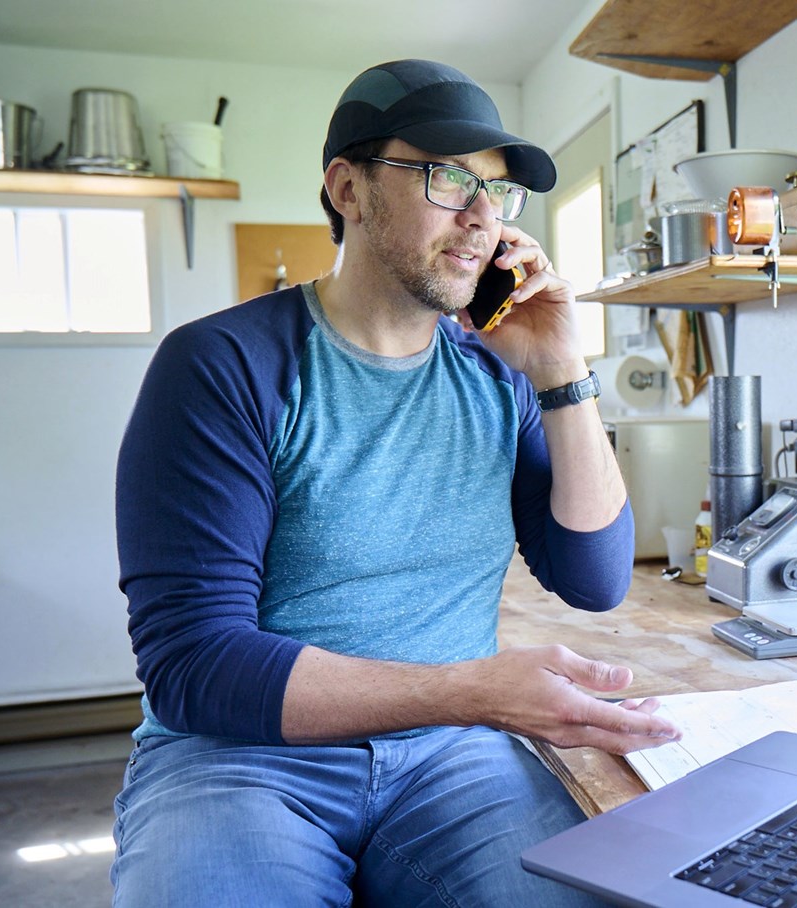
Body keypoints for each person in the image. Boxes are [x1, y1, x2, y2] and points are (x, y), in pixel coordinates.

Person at [110, 59, 680, 907]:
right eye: (450, 180)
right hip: (238, 758)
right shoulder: (223, 365)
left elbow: (593, 579)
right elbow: (196, 664)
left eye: (498, 192)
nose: (485, 217)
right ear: (348, 188)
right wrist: (474, 689)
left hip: (454, 758)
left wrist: (562, 370)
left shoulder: (498, 375)